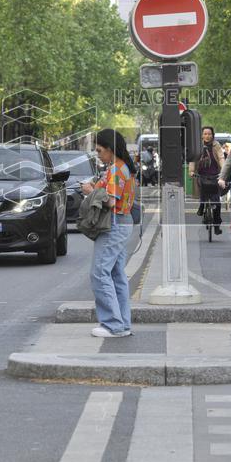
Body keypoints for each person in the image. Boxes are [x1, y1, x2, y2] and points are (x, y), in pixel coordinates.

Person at [80, 129, 137, 338]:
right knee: (116, 275)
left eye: (99, 150)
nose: (98, 155)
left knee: (99, 272)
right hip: (122, 223)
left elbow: (111, 200)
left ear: (110, 149)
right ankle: (122, 323)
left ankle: (112, 324)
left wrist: (90, 192)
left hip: (113, 224)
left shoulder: (116, 169)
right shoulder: (123, 167)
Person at [190, 126, 225, 234]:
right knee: (203, 193)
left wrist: (223, 172)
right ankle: (201, 205)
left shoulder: (216, 145)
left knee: (217, 203)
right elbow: (192, 159)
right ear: (201, 135)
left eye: (209, 134)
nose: (207, 136)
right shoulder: (197, 145)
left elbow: (221, 157)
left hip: (215, 175)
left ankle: (216, 226)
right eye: (205, 134)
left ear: (212, 135)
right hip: (201, 175)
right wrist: (191, 171)